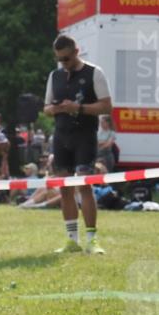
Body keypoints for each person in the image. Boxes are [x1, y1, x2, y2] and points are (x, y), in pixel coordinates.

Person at [43, 34, 112, 254]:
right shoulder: (54, 76)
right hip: (61, 137)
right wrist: (55, 109)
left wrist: (78, 108)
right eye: (59, 59)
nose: (63, 63)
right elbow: (46, 108)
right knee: (65, 189)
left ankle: (92, 239)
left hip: (85, 136)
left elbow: (106, 106)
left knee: (84, 186)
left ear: (76, 51)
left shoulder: (94, 73)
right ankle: (72, 240)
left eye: (66, 58)